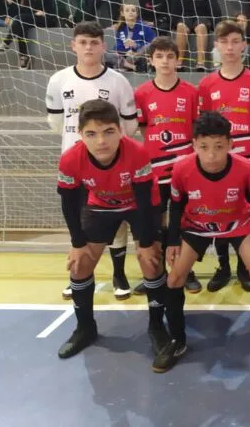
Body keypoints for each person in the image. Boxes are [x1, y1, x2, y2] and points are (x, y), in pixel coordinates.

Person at [158, 111, 250, 372]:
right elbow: (176, 205)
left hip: (237, 224)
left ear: (231, 144)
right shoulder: (182, 168)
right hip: (196, 226)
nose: (211, 154)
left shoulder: (245, 168)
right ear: (194, 144)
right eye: (204, 147)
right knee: (174, 279)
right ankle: (177, 340)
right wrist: (173, 239)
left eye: (219, 147)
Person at [55, 99, 169, 361]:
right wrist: (77, 242)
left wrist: (147, 241)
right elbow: (69, 203)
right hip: (101, 204)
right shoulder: (71, 159)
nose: (101, 142)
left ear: (120, 130)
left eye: (108, 132)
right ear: (80, 135)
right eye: (91, 134)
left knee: (150, 261)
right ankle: (85, 328)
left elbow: (143, 201)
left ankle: (156, 326)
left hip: (140, 205)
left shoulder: (137, 152)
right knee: (79, 264)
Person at [45, 21, 139, 300]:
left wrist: (105, 149)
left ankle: (119, 274)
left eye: (94, 42)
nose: (88, 47)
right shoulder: (59, 80)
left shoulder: (118, 81)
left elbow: (129, 126)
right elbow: (56, 123)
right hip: (75, 167)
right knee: (78, 220)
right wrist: (81, 149)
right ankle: (81, 273)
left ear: (103, 46)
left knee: (116, 221)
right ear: (73, 45)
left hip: (112, 165)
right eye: (83, 42)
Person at [197, 20, 250, 292]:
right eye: (224, 42)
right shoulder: (206, 84)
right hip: (216, 161)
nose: (230, 47)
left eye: (235, 41)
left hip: (246, 159)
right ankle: (223, 266)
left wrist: (247, 145)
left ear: (244, 45)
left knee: (245, 211)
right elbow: (203, 128)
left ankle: (243, 267)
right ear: (216, 45)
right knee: (218, 209)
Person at [134, 37, 201, 294]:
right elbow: (142, 129)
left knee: (185, 220)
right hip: (155, 170)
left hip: (184, 170)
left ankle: (186, 270)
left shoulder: (190, 92)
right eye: (159, 56)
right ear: (151, 60)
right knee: (157, 220)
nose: (165, 61)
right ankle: (159, 271)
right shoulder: (141, 94)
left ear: (178, 59)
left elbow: (195, 128)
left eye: (169, 56)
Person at [115, 4, 156, 72]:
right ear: (122, 13)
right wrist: (126, 52)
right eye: (127, 11)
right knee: (108, 54)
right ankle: (132, 67)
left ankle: (124, 66)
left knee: (149, 47)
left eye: (133, 10)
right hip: (127, 57)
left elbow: (153, 44)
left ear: (137, 13)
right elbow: (118, 46)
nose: (130, 12)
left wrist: (136, 45)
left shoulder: (145, 27)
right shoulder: (120, 29)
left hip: (142, 55)